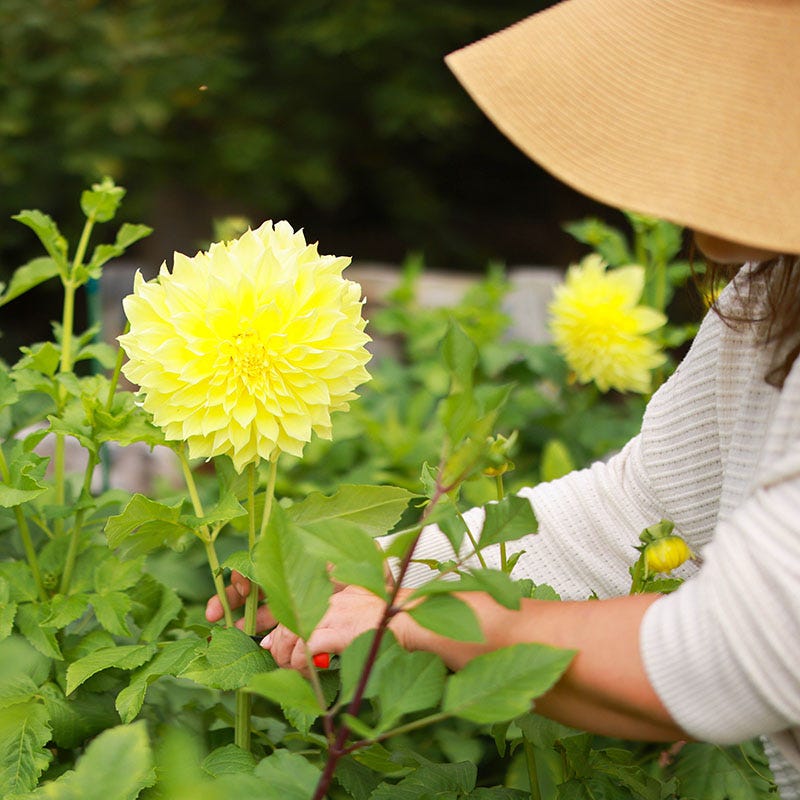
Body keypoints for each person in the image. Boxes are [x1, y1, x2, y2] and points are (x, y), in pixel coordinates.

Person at [206, 0, 800, 795]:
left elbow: (739, 655)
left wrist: (438, 621)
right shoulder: (773, 290)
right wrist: (384, 574)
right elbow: (641, 510)